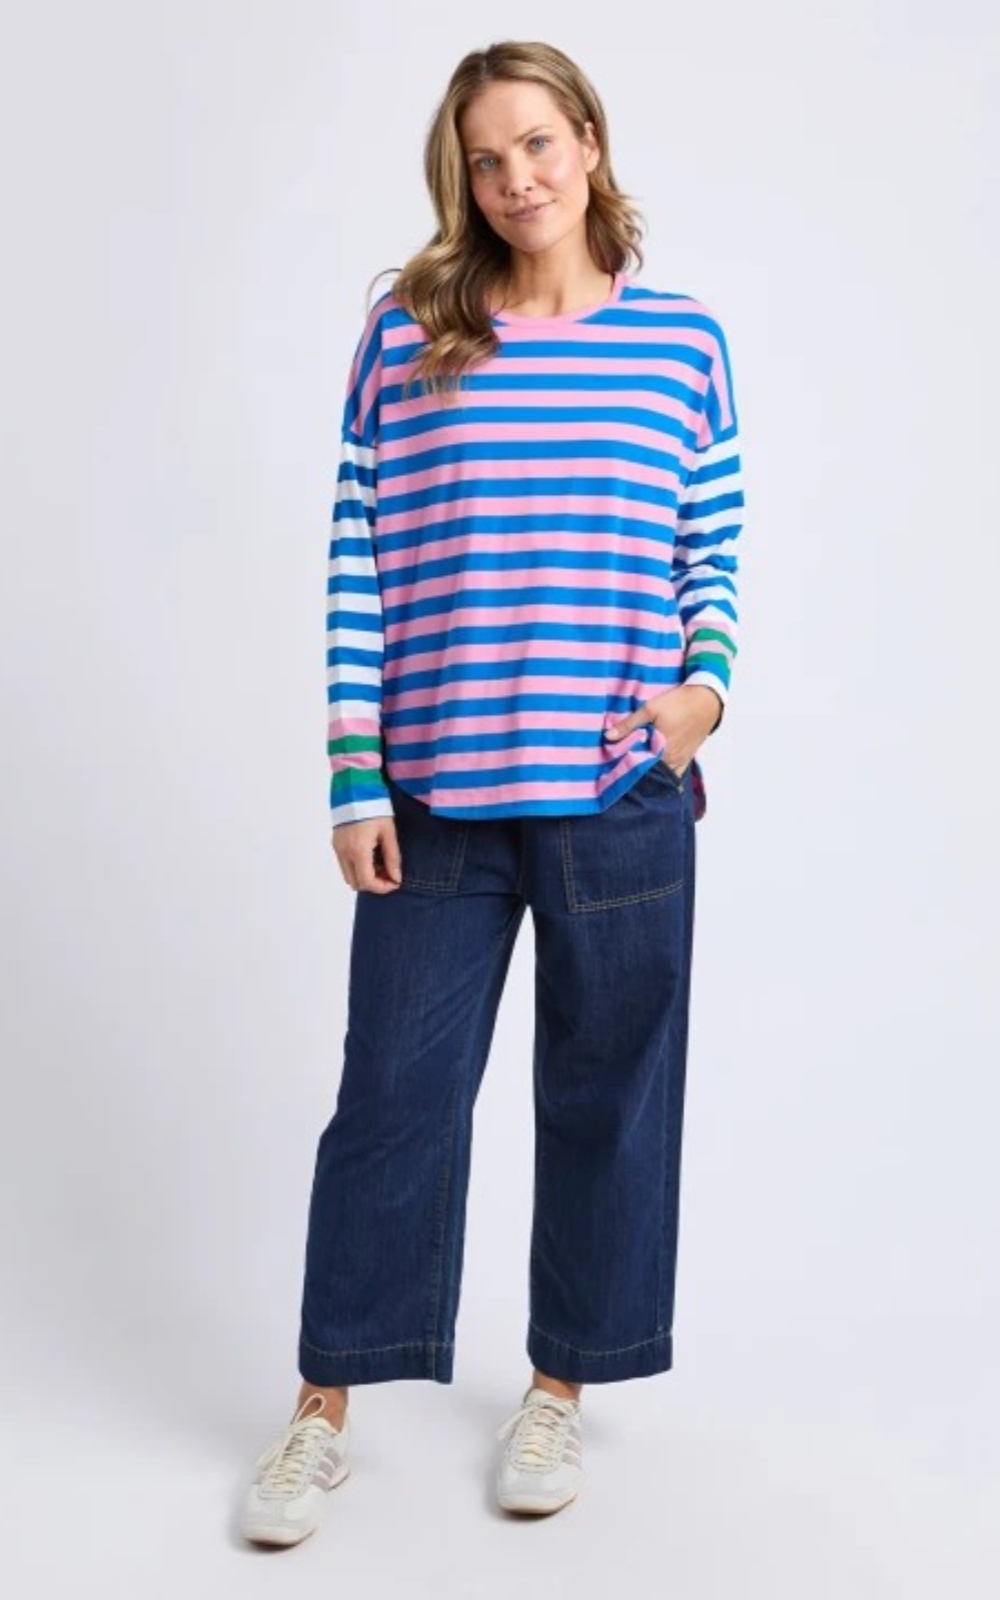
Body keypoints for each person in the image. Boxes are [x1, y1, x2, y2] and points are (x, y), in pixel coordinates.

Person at [240, 36, 744, 1545]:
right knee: (392, 1101)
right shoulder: (410, 335)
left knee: (608, 1102)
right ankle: (322, 1409)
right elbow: (357, 554)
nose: (516, 176)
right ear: (460, 179)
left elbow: (709, 545)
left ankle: (558, 1387)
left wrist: (704, 696)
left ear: (588, 140)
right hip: (439, 799)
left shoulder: (683, 344)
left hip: (619, 794)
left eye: (536, 142)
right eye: (485, 157)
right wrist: (355, 776)